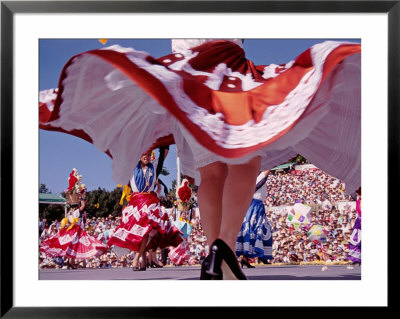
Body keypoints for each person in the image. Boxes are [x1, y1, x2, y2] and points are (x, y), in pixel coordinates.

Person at [39, 39, 361, 279]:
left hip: (191, 82)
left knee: (211, 174)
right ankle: (225, 250)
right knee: (246, 159)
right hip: (229, 75)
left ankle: (213, 254)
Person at [107, 151, 183, 271]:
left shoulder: (154, 166)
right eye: (144, 155)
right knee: (140, 233)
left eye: (148, 155)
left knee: (146, 231)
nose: (146, 157)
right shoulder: (132, 166)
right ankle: (142, 262)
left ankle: (137, 259)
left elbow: (164, 154)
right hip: (137, 202)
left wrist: (165, 142)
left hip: (150, 202)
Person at [39, 198, 108, 269]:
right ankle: (72, 262)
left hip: (71, 230)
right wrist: (81, 198)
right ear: (77, 206)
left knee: (73, 246)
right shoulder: (76, 211)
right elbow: (83, 205)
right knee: (83, 243)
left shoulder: (70, 213)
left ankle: (71, 262)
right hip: (76, 230)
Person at [235, 170, 273, 268]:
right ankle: (248, 258)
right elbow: (267, 170)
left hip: (256, 205)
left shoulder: (252, 179)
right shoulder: (256, 178)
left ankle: (260, 256)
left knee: (262, 229)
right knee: (256, 229)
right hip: (254, 206)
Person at [348, 187, 361, 265]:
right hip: (359, 221)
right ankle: (357, 259)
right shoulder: (358, 200)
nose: (356, 193)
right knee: (356, 240)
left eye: (357, 192)